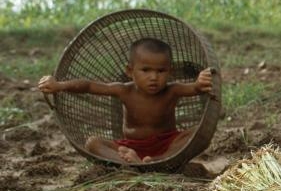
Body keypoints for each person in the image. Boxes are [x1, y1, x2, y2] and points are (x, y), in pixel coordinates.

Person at [38, 37, 215, 164]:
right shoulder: (124, 90)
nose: (153, 77)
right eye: (145, 70)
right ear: (130, 71)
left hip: (166, 144)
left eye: (161, 71)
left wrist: (201, 82)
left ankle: (154, 161)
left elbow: (196, 89)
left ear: (170, 71)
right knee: (93, 143)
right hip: (131, 146)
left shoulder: (172, 90)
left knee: (194, 132)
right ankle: (131, 163)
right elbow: (89, 86)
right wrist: (60, 85)